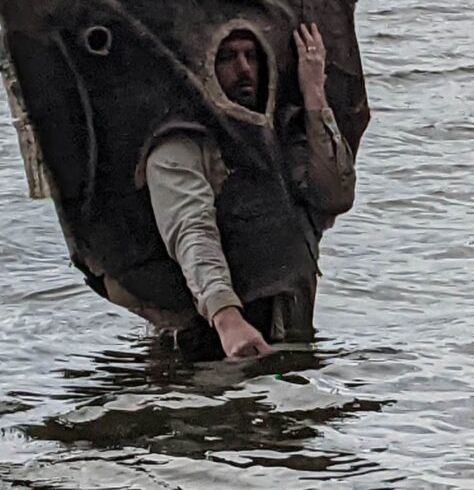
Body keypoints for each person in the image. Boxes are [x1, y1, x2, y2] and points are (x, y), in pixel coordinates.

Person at [143, 22, 354, 359]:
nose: (243, 69)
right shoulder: (180, 144)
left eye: (251, 56)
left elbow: (335, 195)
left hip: (288, 331)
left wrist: (315, 94)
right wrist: (227, 318)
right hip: (211, 344)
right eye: (227, 57)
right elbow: (191, 231)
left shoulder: (279, 133)